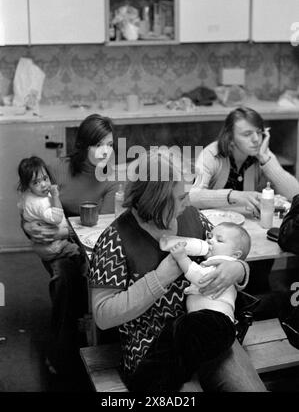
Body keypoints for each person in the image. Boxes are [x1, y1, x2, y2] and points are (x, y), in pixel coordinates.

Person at [89, 149, 266, 392]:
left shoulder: (192, 218)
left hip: (205, 333)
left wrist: (238, 269)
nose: (188, 201)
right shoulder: (115, 240)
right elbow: (102, 315)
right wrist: (161, 277)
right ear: (155, 201)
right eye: (181, 197)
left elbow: (230, 249)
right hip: (152, 348)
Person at [22, 114, 118, 375]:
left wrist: (63, 231)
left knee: (97, 279)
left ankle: (100, 346)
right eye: (98, 144)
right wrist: (31, 229)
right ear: (84, 145)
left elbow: (101, 227)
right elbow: (29, 206)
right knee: (66, 278)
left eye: (109, 144)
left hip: (87, 243)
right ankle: (62, 352)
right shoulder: (56, 168)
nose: (105, 151)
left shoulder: (110, 177)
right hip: (56, 246)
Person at [189, 106, 299, 295]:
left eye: (258, 132)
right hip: (215, 232)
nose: (256, 139)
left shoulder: (260, 153)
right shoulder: (212, 154)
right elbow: (192, 196)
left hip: (248, 230)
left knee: (262, 263)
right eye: (247, 134)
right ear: (230, 138)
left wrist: (265, 159)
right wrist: (234, 196)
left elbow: (295, 194)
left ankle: (256, 296)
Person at [161, 222, 250, 374]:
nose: (210, 240)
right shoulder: (220, 263)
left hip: (214, 321)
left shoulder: (221, 264)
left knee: (180, 332)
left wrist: (182, 257)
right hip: (211, 325)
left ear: (235, 255)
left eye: (219, 240)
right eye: (210, 236)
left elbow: (199, 277)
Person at [17, 156, 80, 264]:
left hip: (52, 240)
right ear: (28, 186)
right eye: (36, 182)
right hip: (54, 245)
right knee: (78, 253)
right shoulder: (41, 203)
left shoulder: (28, 195)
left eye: (45, 179)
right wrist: (55, 196)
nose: (43, 185)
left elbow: (22, 208)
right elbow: (56, 218)